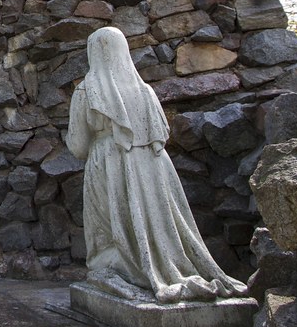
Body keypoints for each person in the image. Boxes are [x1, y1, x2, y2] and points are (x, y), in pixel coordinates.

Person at [66, 27, 248, 304]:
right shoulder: (146, 91)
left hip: (110, 163)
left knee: (112, 227)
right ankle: (163, 264)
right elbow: (161, 133)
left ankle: (127, 267)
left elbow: (78, 146)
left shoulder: (87, 90)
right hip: (155, 166)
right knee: (161, 221)